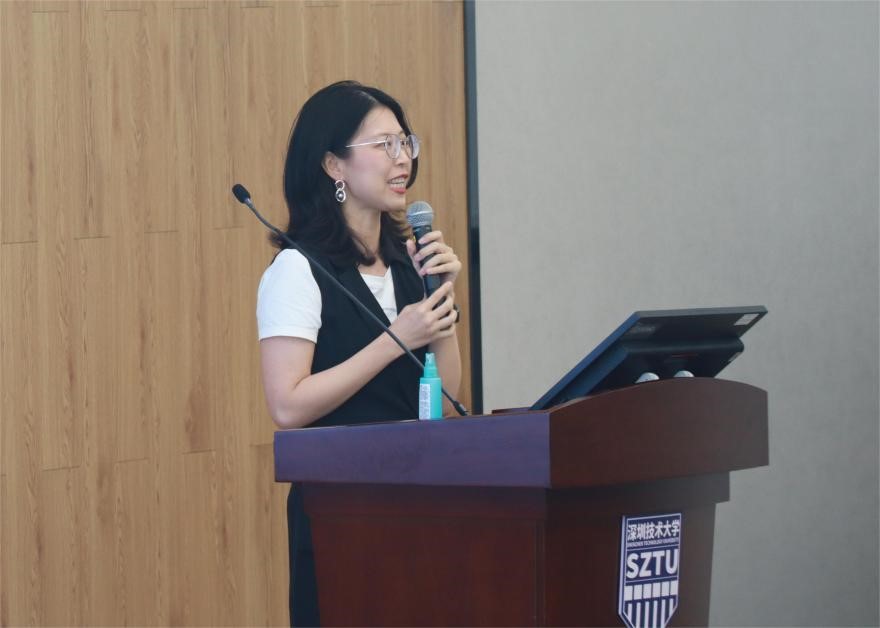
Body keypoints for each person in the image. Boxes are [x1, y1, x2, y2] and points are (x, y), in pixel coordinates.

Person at [255, 80, 462, 626]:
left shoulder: (410, 262)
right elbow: (288, 405)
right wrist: (396, 339)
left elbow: (447, 399)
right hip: (341, 513)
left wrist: (441, 297)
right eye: (383, 145)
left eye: (405, 142)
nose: (402, 159)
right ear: (333, 166)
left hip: (419, 500)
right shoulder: (298, 270)